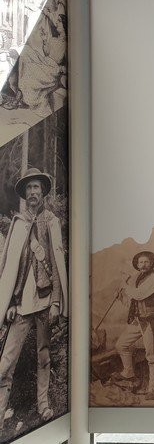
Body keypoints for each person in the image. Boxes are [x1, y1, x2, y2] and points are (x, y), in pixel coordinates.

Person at [0, 168, 68, 427]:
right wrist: (11, 302)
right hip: (21, 306)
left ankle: (43, 405)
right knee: (6, 363)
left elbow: (57, 265)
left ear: (42, 192)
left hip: (45, 302)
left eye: (36, 187)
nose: (32, 192)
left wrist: (56, 302)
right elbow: (11, 268)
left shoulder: (51, 221)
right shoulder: (18, 223)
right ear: (24, 193)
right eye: (29, 188)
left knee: (44, 357)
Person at [113, 251, 154, 400]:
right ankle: (128, 372)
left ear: (151, 263)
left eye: (146, 262)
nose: (143, 265)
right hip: (139, 320)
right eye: (140, 262)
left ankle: (153, 388)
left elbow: (138, 295)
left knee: (151, 356)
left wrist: (124, 286)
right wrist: (120, 297)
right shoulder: (139, 279)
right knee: (121, 345)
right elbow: (133, 302)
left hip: (151, 321)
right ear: (137, 265)